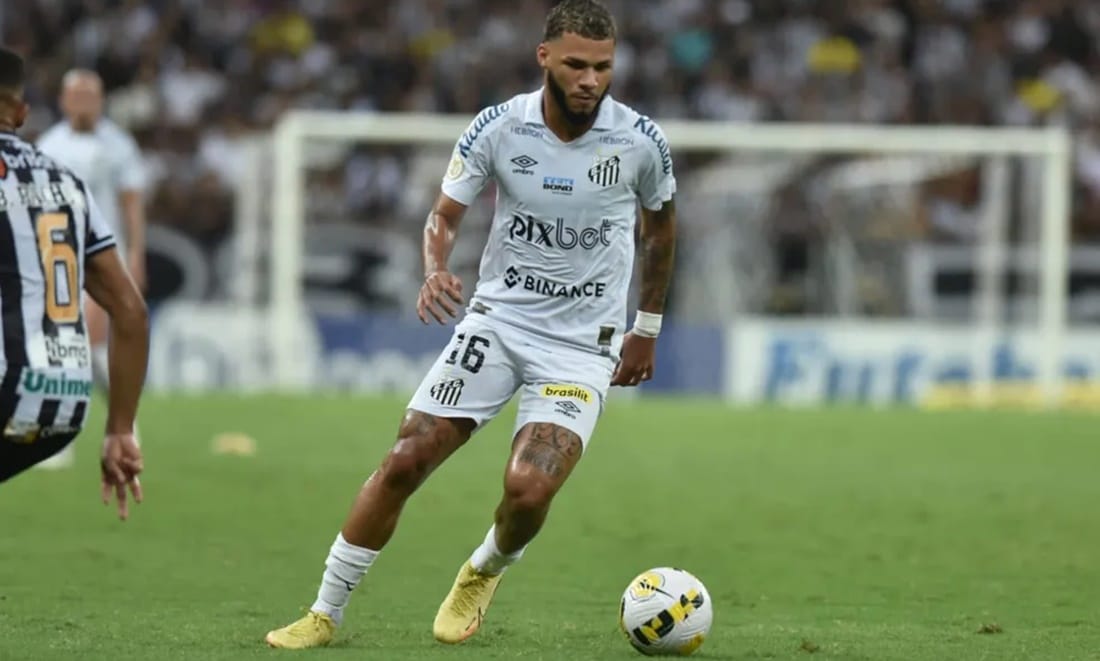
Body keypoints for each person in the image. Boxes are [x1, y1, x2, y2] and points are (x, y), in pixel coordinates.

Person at [265, 0, 677, 648]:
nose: (590, 80)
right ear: (544, 58)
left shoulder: (639, 142)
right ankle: (324, 611)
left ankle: (485, 568)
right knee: (406, 457)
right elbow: (444, 215)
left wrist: (646, 324)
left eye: (602, 67)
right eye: (576, 64)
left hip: (579, 346)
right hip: (499, 322)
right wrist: (435, 268)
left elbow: (661, 229)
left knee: (529, 489)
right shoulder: (498, 129)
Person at [0, 47, 148, 519]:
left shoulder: (117, 145)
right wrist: (120, 428)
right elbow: (132, 312)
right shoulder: (65, 178)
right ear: (22, 112)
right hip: (65, 405)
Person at [35, 69, 147, 468]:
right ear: (64, 101)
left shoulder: (118, 146)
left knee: (93, 342)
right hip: (57, 257)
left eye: (90, 96)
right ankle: (63, 434)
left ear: (100, 100)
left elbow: (131, 202)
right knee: (64, 344)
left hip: (105, 257)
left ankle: (122, 423)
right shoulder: (50, 145)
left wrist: (136, 254)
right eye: (76, 96)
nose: (83, 103)